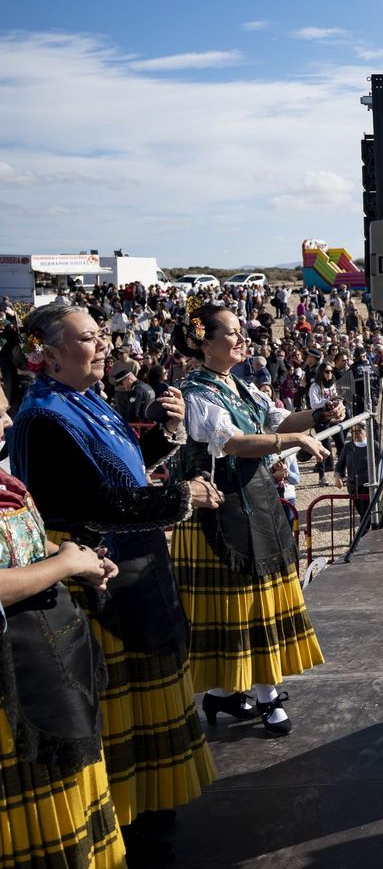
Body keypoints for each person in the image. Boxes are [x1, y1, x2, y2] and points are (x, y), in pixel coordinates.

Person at [11, 301, 220, 860]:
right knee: (125, 707)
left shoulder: (83, 399)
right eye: (88, 338)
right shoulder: (44, 417)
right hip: (101, 578)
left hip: (132, 566)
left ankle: (150, 810)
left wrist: (167, 434)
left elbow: (118, 470)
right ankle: (133, 822)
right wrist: (180, 496)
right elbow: (95, 502)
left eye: (101, 334)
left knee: (148, 696)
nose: (104, 344)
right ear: (49, 355)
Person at [175, 302, 335, 738]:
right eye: (231, 332)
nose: (241, 338)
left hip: (255, 500)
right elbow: (233, 443)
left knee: (254, 602)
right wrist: (293, 438)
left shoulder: (240, 385)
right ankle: (266, 696)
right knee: (244, 604)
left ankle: (225, 692)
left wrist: (318, 416)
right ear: (204, 343)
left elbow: (277, 421)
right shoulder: (195, 392)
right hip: (220, 510)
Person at [0, 384, 127, 869]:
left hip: (48, 663)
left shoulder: (5, 481)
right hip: (12, 683)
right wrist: (66, 565)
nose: (8, 423)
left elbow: (24, 547)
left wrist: (77, 557)